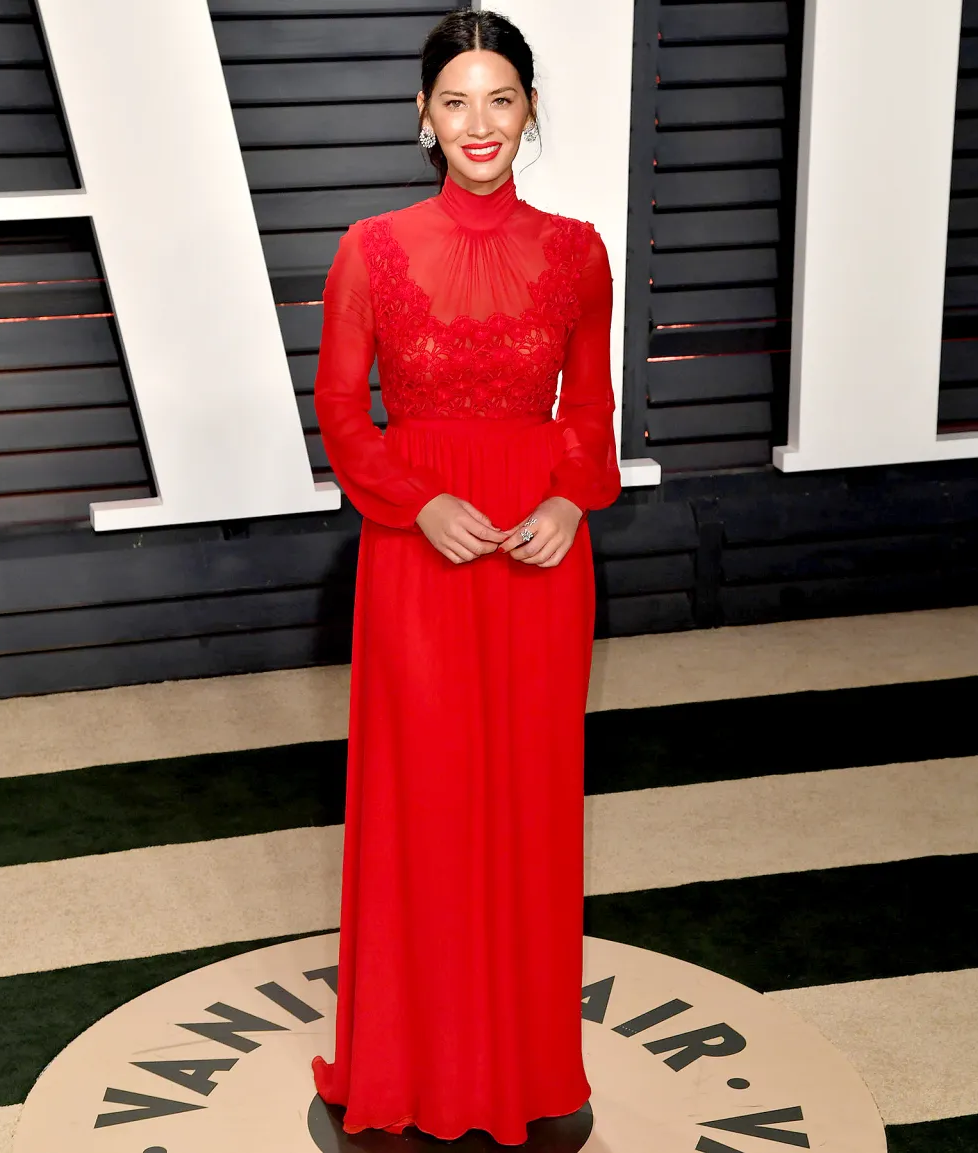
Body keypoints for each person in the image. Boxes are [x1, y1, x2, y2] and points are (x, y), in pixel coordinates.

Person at [311, 8, 622, 1145]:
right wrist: (416, 501)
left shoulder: (579, 248)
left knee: (532, 808)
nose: (478, 123)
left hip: (541, 557)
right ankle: (413, 1067)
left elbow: (587, 410)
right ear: (423, 118)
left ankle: (529, 1069)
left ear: (530, 108)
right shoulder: (371, 250)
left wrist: (563, 499)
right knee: (423, 802)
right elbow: (343, 411)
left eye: (500, 98)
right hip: (419, 552)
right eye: (456, 100)